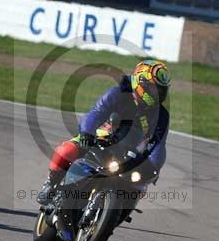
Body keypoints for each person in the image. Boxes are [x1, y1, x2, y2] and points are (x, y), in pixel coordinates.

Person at [37, 60, 171, 205]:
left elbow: (159, 144)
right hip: (98, 140)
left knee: (139, 186)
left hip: (128, 155)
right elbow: (97, 113)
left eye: (161, 90)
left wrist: (154, 167)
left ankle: (116, 214)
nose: (157, 94)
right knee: (66, 151)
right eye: (153, 89)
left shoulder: (161, 115)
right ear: (140, 83)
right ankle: (51, 184)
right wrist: (86, 134)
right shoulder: (118, 93)